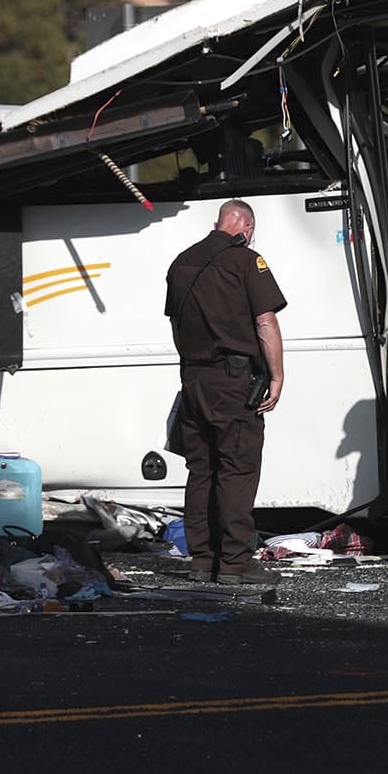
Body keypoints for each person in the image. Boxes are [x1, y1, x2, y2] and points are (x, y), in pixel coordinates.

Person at [165, 198, 286, 586]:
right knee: (237, 469)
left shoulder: (181, 262)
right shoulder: (247, 261)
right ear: (246, 229)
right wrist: (278, 375)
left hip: (194, 380)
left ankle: (202, 559)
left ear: (219, 222)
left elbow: (175, 324)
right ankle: (235, 562)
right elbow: (265, 321)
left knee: (200, 468)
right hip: (234, 383)